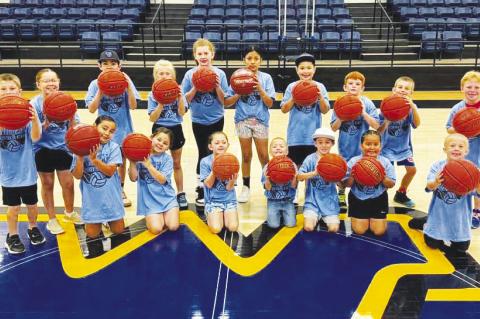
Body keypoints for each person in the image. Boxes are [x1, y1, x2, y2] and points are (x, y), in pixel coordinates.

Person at [30, 68, 82, 235]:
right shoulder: (33, 105)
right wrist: (45, 123)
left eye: (53, 80)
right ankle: (52, 219)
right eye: (46, 80)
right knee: (48, 184)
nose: (51, 83)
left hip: (63, 147)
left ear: (59, 83)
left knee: (68, 183)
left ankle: (69, 212)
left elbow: (75, 129)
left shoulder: (67, 101)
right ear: (38, 84)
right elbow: (33, 135)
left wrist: (72, 116)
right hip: (42, 149)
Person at [85, 50, 140, 207]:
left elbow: (134, 106)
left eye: (113, 63)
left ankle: (120, 189)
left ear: (119, 65)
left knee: (120, 162)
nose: (109, 67)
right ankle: (107, 189)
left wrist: (128, 88)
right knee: (105, 162)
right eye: (105, 64)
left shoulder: (125, 80)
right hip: (104, 132)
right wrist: (101, 91)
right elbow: (91, 109)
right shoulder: (95, 84)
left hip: (123, 130)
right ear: (99, 66)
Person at [410, 134, 480, 256]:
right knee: (432, 244)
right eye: (452, 145)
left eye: (460, 146)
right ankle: (427, 224)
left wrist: (478, 182)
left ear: (466, 151)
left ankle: (429, 222)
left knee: (461, 249)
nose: (456, 148)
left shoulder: (472, 170)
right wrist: (436, 182)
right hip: (439, 216)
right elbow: (429, 187)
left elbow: (478, 193)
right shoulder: (437, 166)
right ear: (445, 149)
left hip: (460, 220)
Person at [0, 73, 45, 254]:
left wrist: (34, 120)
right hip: (8, 173)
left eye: (12, 88)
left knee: (32, 205)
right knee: (13, 208)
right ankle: (12, 235)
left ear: (19, 92)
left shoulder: (26, 114)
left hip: (27, 171)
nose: (7, 92)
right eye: (3, 89)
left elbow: (35, 137)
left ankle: (33, 227)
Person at [225, 46, 276, 203]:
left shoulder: (266, 78)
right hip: (242, 120)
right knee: (246, 155)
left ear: (261, 61)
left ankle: (268, 185)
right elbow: (227, 103)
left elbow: (269, 103)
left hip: (260, 121)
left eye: (256, 58)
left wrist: (259, 89)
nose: (252, 62)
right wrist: (239, 91)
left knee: (263, 156)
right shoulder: (237, 77)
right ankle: (246, 187)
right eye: (249, 58)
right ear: (244, 60)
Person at [181, 38, 229, 207]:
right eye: (199, 53)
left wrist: (216, 86)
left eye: (206, 53)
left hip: (216, 119)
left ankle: (219, 180)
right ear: (195, 56)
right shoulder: (190, 74)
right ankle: (201, 186)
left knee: (217, 152)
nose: (203, 56)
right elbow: (184, 100)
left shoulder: (220, 74)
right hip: (198, 121)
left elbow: (225, 101)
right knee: (203, 153)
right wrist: (195, 87)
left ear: (212, 55)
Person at [71, 115, 127, 258]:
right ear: (94, 126)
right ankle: (99, 234)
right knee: (92, 234)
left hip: (111, 198)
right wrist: (79, 156)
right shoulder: (80, 147)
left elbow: (110, 171)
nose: (107, 133)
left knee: (120, 231)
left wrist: (95, 160)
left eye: (112, 131)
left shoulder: (114, 147)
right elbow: (77, 175)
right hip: (92, 201)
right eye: (104, 128)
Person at [331, 71, 380, 206]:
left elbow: (376, 125)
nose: (354, 86)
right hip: (345, 147)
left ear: (362, 88)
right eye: (350, 83)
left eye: (357, 84)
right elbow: (333, 128)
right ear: (345, 87)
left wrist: (363, 113)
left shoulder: (367, 103)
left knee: (363, 172)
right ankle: (341, 195)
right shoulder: (340, 103)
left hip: (363, 149)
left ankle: (359, 196)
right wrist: (341, 117)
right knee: (342, 174)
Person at [148, 59, 188, 210]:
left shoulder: (179, 90)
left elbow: (182, 113)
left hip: (176, 128)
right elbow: (152, 118)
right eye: (161, 74)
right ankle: (160, 191)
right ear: (155, 76)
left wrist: (178, 98)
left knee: (176, 163)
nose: (164, 76)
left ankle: (180, 193)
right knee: (157, 163)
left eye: (168, 74)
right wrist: (160, 102)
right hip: (159, 128)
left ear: (173, 76)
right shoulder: (153, 94)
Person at [342, 130, 396, 236]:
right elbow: (346, 184)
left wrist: (381, 176)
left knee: (379, 232)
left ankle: (376, 220)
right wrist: (353, 175)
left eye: (375, 144)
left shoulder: (385, 162)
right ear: (361, 145)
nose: (372, 147)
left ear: (380, 146)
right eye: (368, 144)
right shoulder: (354, 161)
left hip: (379, 198)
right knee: (359, 231)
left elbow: (391, 184)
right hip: (358, 199)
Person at [378, 76, 421, 208]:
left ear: (411, 93)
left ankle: (401, 194)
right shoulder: (385, 106)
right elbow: (379, 131)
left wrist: (413, 107)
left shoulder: (410, 108)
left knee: (412, 170)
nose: (403, 90)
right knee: (387, 176)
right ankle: (380, 197)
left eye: (407, 89)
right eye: (400, 87)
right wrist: (388, 119)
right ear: (394, 89)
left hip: (403, 148)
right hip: (386, 148)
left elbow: (417, 124)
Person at [128, 127, 180, 234]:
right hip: (149, 201)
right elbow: (133, 178)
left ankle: (165, 214)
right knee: (156, 229)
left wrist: (149, 166)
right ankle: (154, 217)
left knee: (173, 226)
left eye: (165, 143)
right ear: (151, 138)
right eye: (159, 139)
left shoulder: (167, 159)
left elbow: (162, 180)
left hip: (167, 199)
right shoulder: (140, 154)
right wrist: (132, 161)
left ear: (168, 148)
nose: (161, 144)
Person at [446, 70, 480, 229]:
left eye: (477, 87)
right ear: (462, 88)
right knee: (459, 180)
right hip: (462, 153)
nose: (472, 90)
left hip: (477, 152)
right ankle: (458, 209)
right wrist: (461, 128)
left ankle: (477, 211)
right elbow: (448, 128)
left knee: (477, 182)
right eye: (469, 86)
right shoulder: (457, 108)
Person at [297, 128, 341, 232]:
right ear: (315, 144)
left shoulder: (336, 160)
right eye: (320, 142)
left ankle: (326, 216)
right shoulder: (310, 159)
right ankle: (315, 215)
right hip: (312, 202)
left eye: (327, 142)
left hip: (330, 203)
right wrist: (315, 173)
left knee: (334, 229)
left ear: (332, 144)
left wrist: (337, 177)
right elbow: (299, 177)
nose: (324, 145)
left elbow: (341, 185)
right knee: (308, 228)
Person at [200, 131, 239, 234]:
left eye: (223, 142)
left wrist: (232, 180)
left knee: (233, 227)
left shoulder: (232, 161)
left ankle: (225, 214)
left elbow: (229, 188)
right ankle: (209, 212)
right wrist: (215, 168)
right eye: (217, 143)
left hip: (229, 200)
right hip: (212, 202)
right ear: (210, 146)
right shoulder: (205, 162)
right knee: (216, 229)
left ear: (228, 145)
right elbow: (208, 184)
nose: (221, 145)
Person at [262, 137, 297, 228]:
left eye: (281, 146)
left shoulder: (292, 166)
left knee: (291, 224)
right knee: (273, 225)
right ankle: (276, 214)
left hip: (288, 200)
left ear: (287, 151)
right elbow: (268, 188)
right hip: (273, 200)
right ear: (270, 152)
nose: (278, 148)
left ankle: (284, 213)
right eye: (274, 147)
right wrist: (267, 179)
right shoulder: (267, 167)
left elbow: (294, 186)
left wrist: (294, 177)